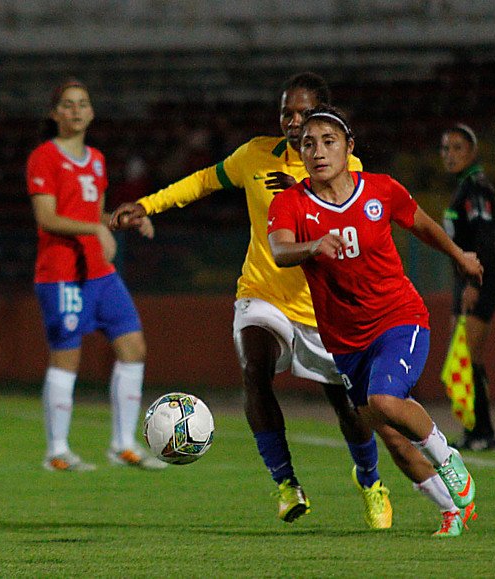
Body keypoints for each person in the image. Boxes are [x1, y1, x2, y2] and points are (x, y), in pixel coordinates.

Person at [111, 72, 398, 528]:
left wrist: (303, 194)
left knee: (347, 406)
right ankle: (286, 484)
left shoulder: (348, 168)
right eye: (288, 112)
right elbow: (203, 181)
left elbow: (350, 232)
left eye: (305, 113)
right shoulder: (255, 155)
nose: (295, 121)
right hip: (261, 294)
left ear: (326, 117)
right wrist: (147, 206)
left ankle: (370, 482)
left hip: (322, 308)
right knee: (253, 370)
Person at [268, 105, 481, 537]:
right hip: (345, 341)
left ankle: (447, 456)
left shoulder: (380, 190)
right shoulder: (290, 202)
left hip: (399, 317)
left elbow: (420, 223)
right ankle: (451, 511)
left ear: (349, 147)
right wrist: (311, 248)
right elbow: (279, 250)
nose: (318, 151)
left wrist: (458, 255)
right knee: (392, 437)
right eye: (308, 143)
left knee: (385, 401)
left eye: (329, 141)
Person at [26, 78, 164, 472]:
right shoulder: (44, 157)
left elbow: (92, 217)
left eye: (82, 103)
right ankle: (57, 452)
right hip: (61, 273)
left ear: (91, 112)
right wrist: (96, 229)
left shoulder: (97, 159)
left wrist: (121, 219)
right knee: (66, 358)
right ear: (55, 115)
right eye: (67, 105)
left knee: (133, 346)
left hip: (100, 272)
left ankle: (123, 444)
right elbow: (47, 218)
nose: (76, 110)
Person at [440, 124, 495, 451]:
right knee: (463, 356)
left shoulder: (477, 188)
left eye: (457, 148)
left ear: (472, 152)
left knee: (468, 353)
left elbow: (484, 238)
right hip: (464, 277)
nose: (450, 154)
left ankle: (485, 432)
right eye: (446, 148)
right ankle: (475, 430)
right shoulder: (463, 188)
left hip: (482, 275)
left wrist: (473, 281)